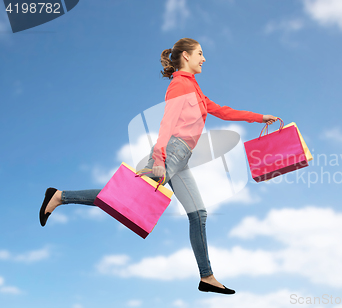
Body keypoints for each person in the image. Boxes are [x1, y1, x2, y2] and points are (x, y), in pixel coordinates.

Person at [39, 37, 278, 295]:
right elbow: (167, 122)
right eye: (200, 53)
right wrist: (159, 157)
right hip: (172, 153)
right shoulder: (179, 85)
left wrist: (260, 117)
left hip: (182, 159)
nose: (204, 58)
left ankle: (206, 277)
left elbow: (223, 111)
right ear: (186, 56)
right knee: (122, 197)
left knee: (199, 214)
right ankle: (60, 196)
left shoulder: (194, 88)